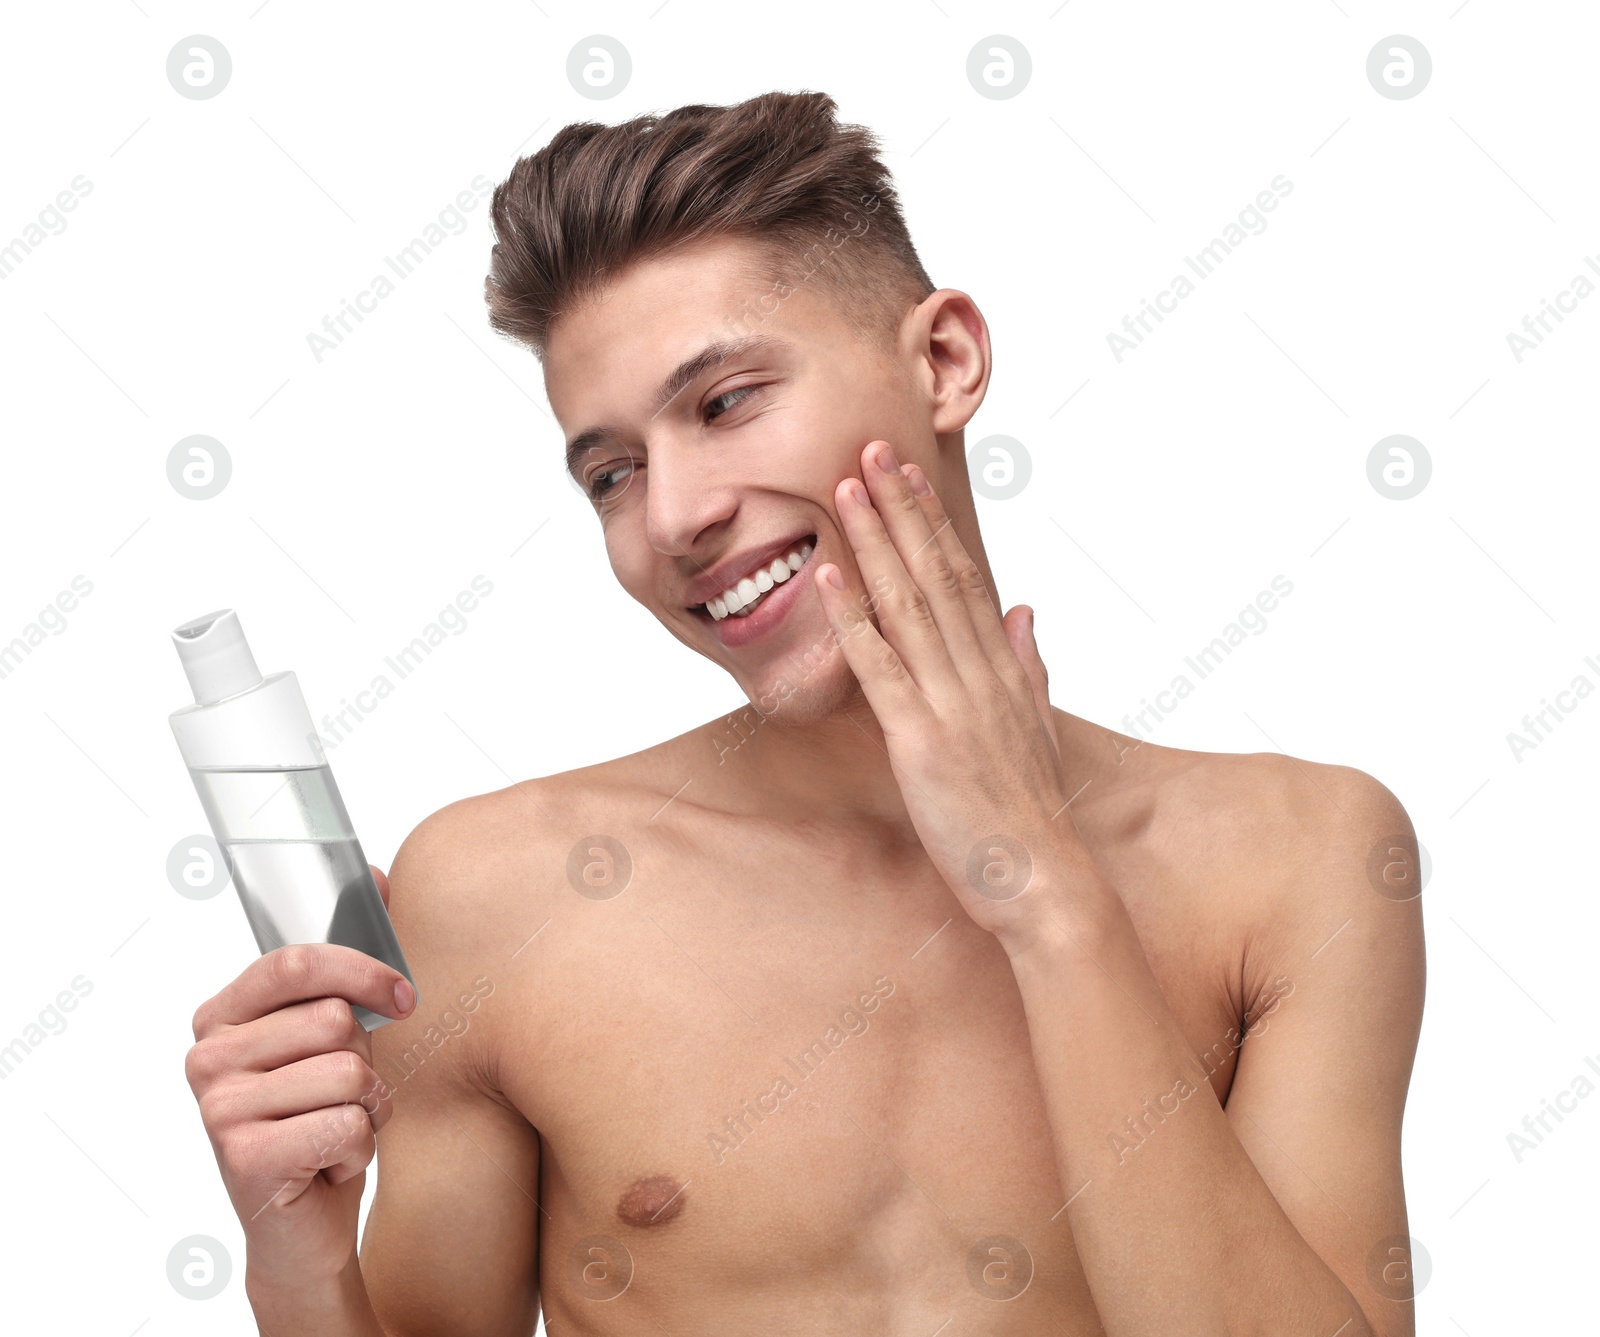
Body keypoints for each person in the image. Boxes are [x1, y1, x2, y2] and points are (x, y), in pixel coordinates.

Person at [185, 90, 1426, 1336]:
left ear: (943, 361)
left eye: (725, 402)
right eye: (612, 473)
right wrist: (296, 1276)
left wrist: (1046, 891)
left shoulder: (1299, 859)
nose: (672, 516)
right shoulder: (496, 896)